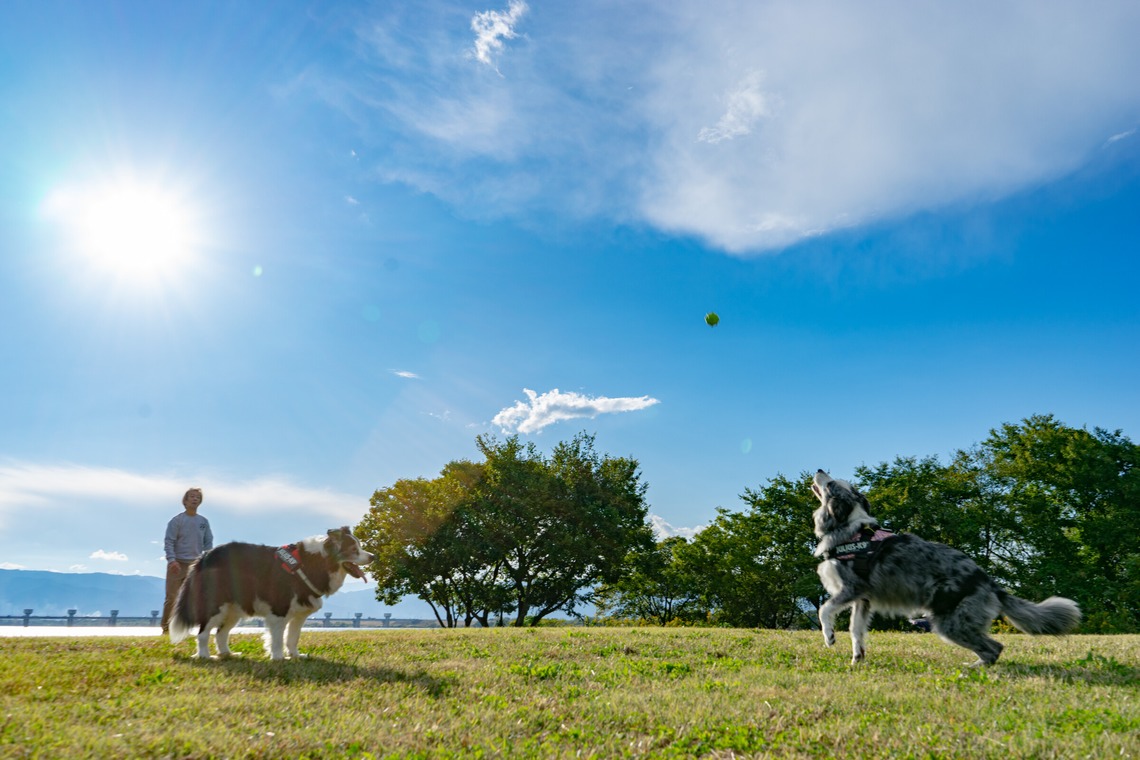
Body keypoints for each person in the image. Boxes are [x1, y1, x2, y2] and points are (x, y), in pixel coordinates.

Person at [161, 487, 213, 633]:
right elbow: (169, 541)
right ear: (185, 500)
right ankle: (166, 629)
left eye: (197, 497)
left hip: (195, 565)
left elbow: (208, 543)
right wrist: (171, 560)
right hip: (177, 564)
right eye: (191, 496)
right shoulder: (177, 521)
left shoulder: (203, 522)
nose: (194, 499)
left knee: (191, 599)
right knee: (172, 598)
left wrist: (206, 560)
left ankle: (185, 629)